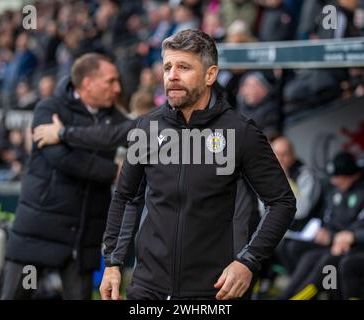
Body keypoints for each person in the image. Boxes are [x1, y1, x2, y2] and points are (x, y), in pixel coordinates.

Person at [98, 29, 296, 300]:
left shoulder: (241, 132)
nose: (172, 76)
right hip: (147, 287)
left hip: (212, 291)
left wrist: (248, 261)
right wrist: (112, 262)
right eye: (168, 67)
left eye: (184, 67)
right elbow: (125, 197)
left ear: (210, 74)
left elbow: (282, 202)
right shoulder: (146, 128)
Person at [0, 53, 128, 300]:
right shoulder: (49, 107)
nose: (118, 88)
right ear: (88, 82)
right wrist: (114, 172)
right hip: (36, 232)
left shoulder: (115, 118)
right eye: (110, 81)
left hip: (81, 238)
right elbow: (61, 159)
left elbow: (143, 133)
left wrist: (64, 134)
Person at [278, 151, 364, 300]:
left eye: (339, 178)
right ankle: (287, 296)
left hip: (354, 246)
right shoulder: (336, 191)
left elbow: (355, 227)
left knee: (331, 261)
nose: (335, 182)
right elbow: (330, 219)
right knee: (306, 255)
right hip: (336, 241)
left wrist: (351, 236)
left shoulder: (360, 191)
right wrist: (327, 232)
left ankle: (298, 297)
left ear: (353, 175)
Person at [272, 136, 322, 274]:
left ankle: (300, 285)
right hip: (284, 231)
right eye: (275, 154)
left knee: (288, 247)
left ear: (292, 154)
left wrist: (285, 179)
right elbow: (263, 208)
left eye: (283, 154)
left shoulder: (305, 174)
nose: (279, 159)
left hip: (306, 231)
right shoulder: (269, 175)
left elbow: (301, 211)